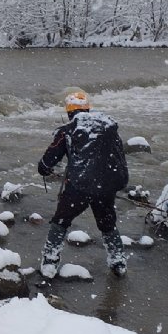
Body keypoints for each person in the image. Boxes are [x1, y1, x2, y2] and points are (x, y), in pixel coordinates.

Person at [37, 89, 129, 278]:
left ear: (69, 112)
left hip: (79, 186)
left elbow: (48, 161)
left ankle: (50, 262)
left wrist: (44, 169)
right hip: (106, 186)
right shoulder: (108, 127)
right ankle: (118, 261)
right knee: (107, 223)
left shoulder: (68, 131)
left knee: (60, 221)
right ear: (87, 109)